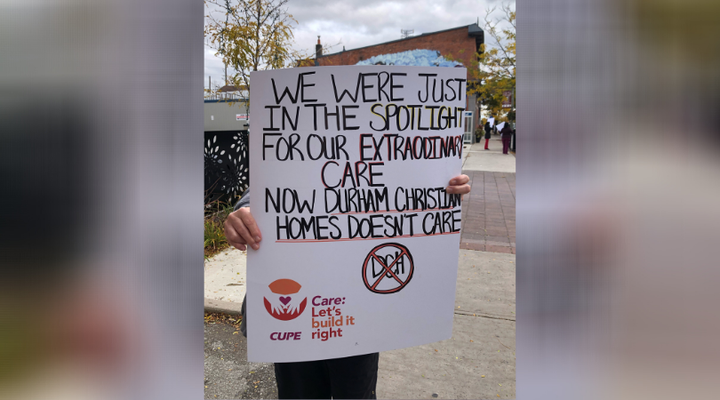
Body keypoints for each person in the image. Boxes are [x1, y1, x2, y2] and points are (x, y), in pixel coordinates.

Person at [224, 175, 471, 399]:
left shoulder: (382, 156)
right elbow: (261, 189)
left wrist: (441, 188)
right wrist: (243, 214)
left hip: (358, 317)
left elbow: (407, 185)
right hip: (296, 317)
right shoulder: (294, 144)